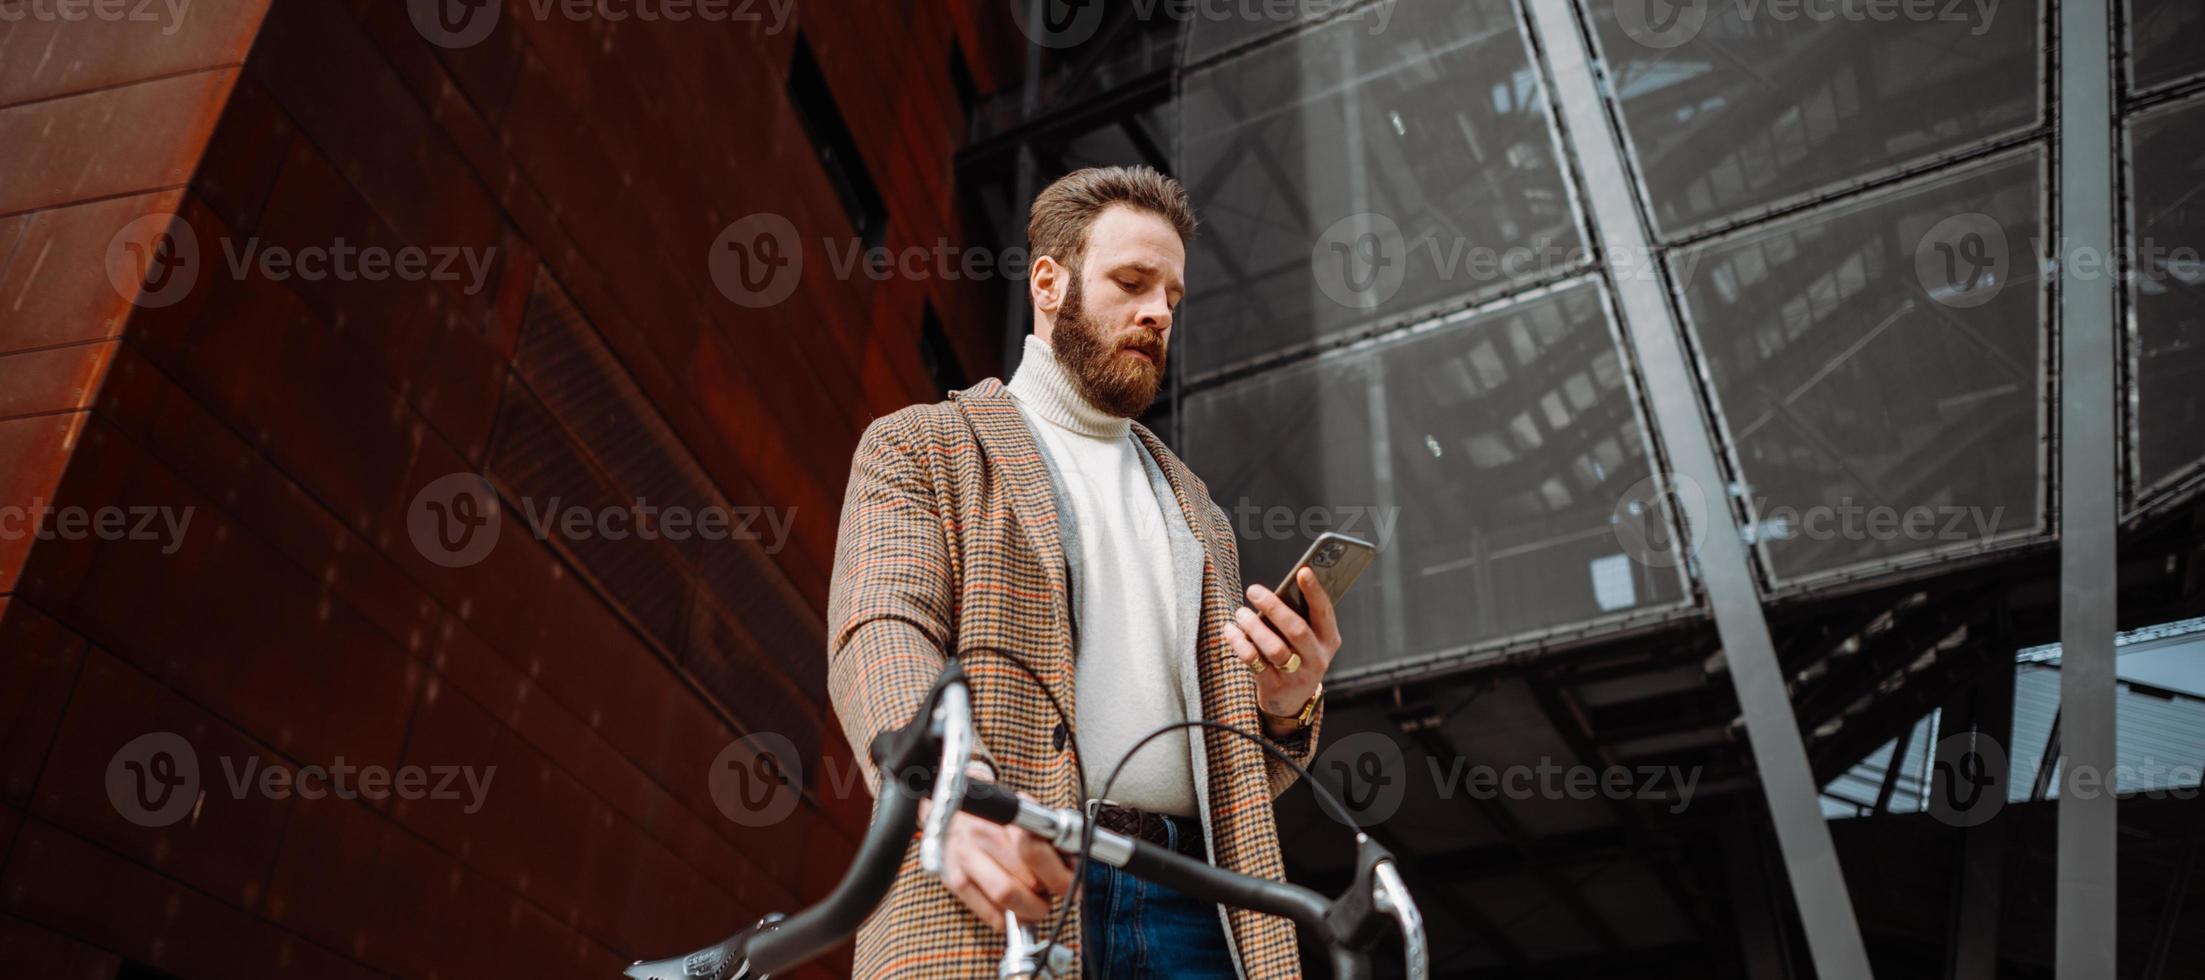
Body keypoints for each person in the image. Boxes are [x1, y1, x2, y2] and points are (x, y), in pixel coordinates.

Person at [826, 165, 1343, 978]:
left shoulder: (1198, 509)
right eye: (1132, 282)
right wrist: (944, 791)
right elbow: (882, 631)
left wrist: (1282, 708)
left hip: (1199, 903)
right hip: (1004, 876)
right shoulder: (920, 445)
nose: (1156, 313)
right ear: (1047, 281)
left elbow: (1233, 767)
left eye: (1172, 296)